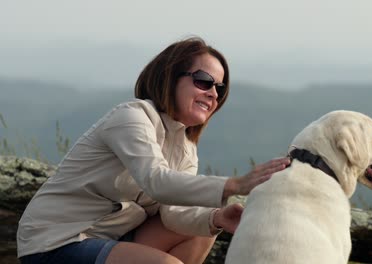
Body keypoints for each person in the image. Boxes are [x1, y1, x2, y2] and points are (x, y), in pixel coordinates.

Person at [17, 36, 290, 264]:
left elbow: (173, 214)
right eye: (204, 81)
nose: (214, 94)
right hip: (56, 241)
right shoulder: (131, 117)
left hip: (108, 239)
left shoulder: (185, 148)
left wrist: (218, 217)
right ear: (171, 77)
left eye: (220, 88)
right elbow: (155, 181)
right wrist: (234, 185)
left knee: (205, 230)